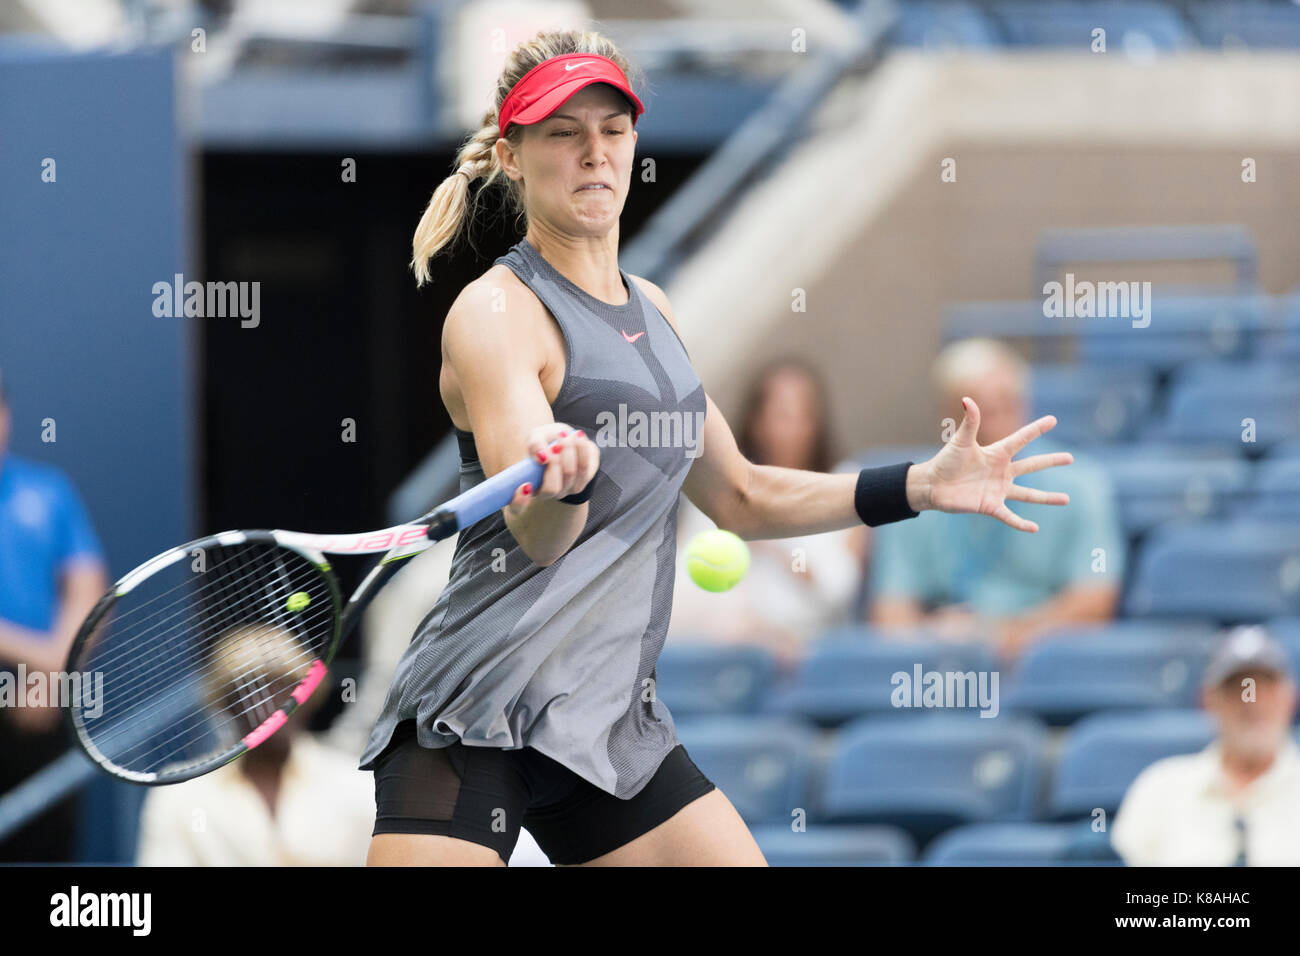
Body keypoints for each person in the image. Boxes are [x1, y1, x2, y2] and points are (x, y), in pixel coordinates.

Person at [359, 29, 1073, 868]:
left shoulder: (654, 309)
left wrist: (918, 484)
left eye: (613, 129)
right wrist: (564, 483)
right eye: (563, 132)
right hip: (475, 708)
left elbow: (740, 497)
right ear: (513, 156)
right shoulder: (496, 313)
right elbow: (539, 534)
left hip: (603, 721)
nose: (595, 153)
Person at [868, 338, 1122, 660]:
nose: (993, 425)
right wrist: (929, 645)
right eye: (978, 414)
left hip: (1042, 663)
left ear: (1024, 408)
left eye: (1004, 407)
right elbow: (892, 613)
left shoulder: (1081, 486)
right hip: (939, 669)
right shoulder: (913, 490)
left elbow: (1093, 602)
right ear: (947, 420)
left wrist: (1002, 639)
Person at [669, 358, 868, 670]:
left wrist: (770, 544)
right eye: (781, 414)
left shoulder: (849, 482)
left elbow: (838, 588)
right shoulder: (716, 487)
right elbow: (682, 581)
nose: (792, 427)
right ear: (756, 422)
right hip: (725, 651)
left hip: (811, 653)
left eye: (803, 415)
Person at [137, 625, 375, 866]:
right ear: (229, 705)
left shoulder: (359, 787)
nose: (271, 706)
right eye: (252, 691)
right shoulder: (180, 795)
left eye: (282, 688)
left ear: (306, 698)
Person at [0, 367, 109, 862]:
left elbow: (88, 588)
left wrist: (56, 674)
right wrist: (44, 658)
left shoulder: (49, 492)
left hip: (44, 714)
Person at [1111, 626, 1300, 866]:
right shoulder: (1159, 788)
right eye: (1237, 688)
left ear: (1290, 696)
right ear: (1208, 700)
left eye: (1266, 686)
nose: (1253, 702)